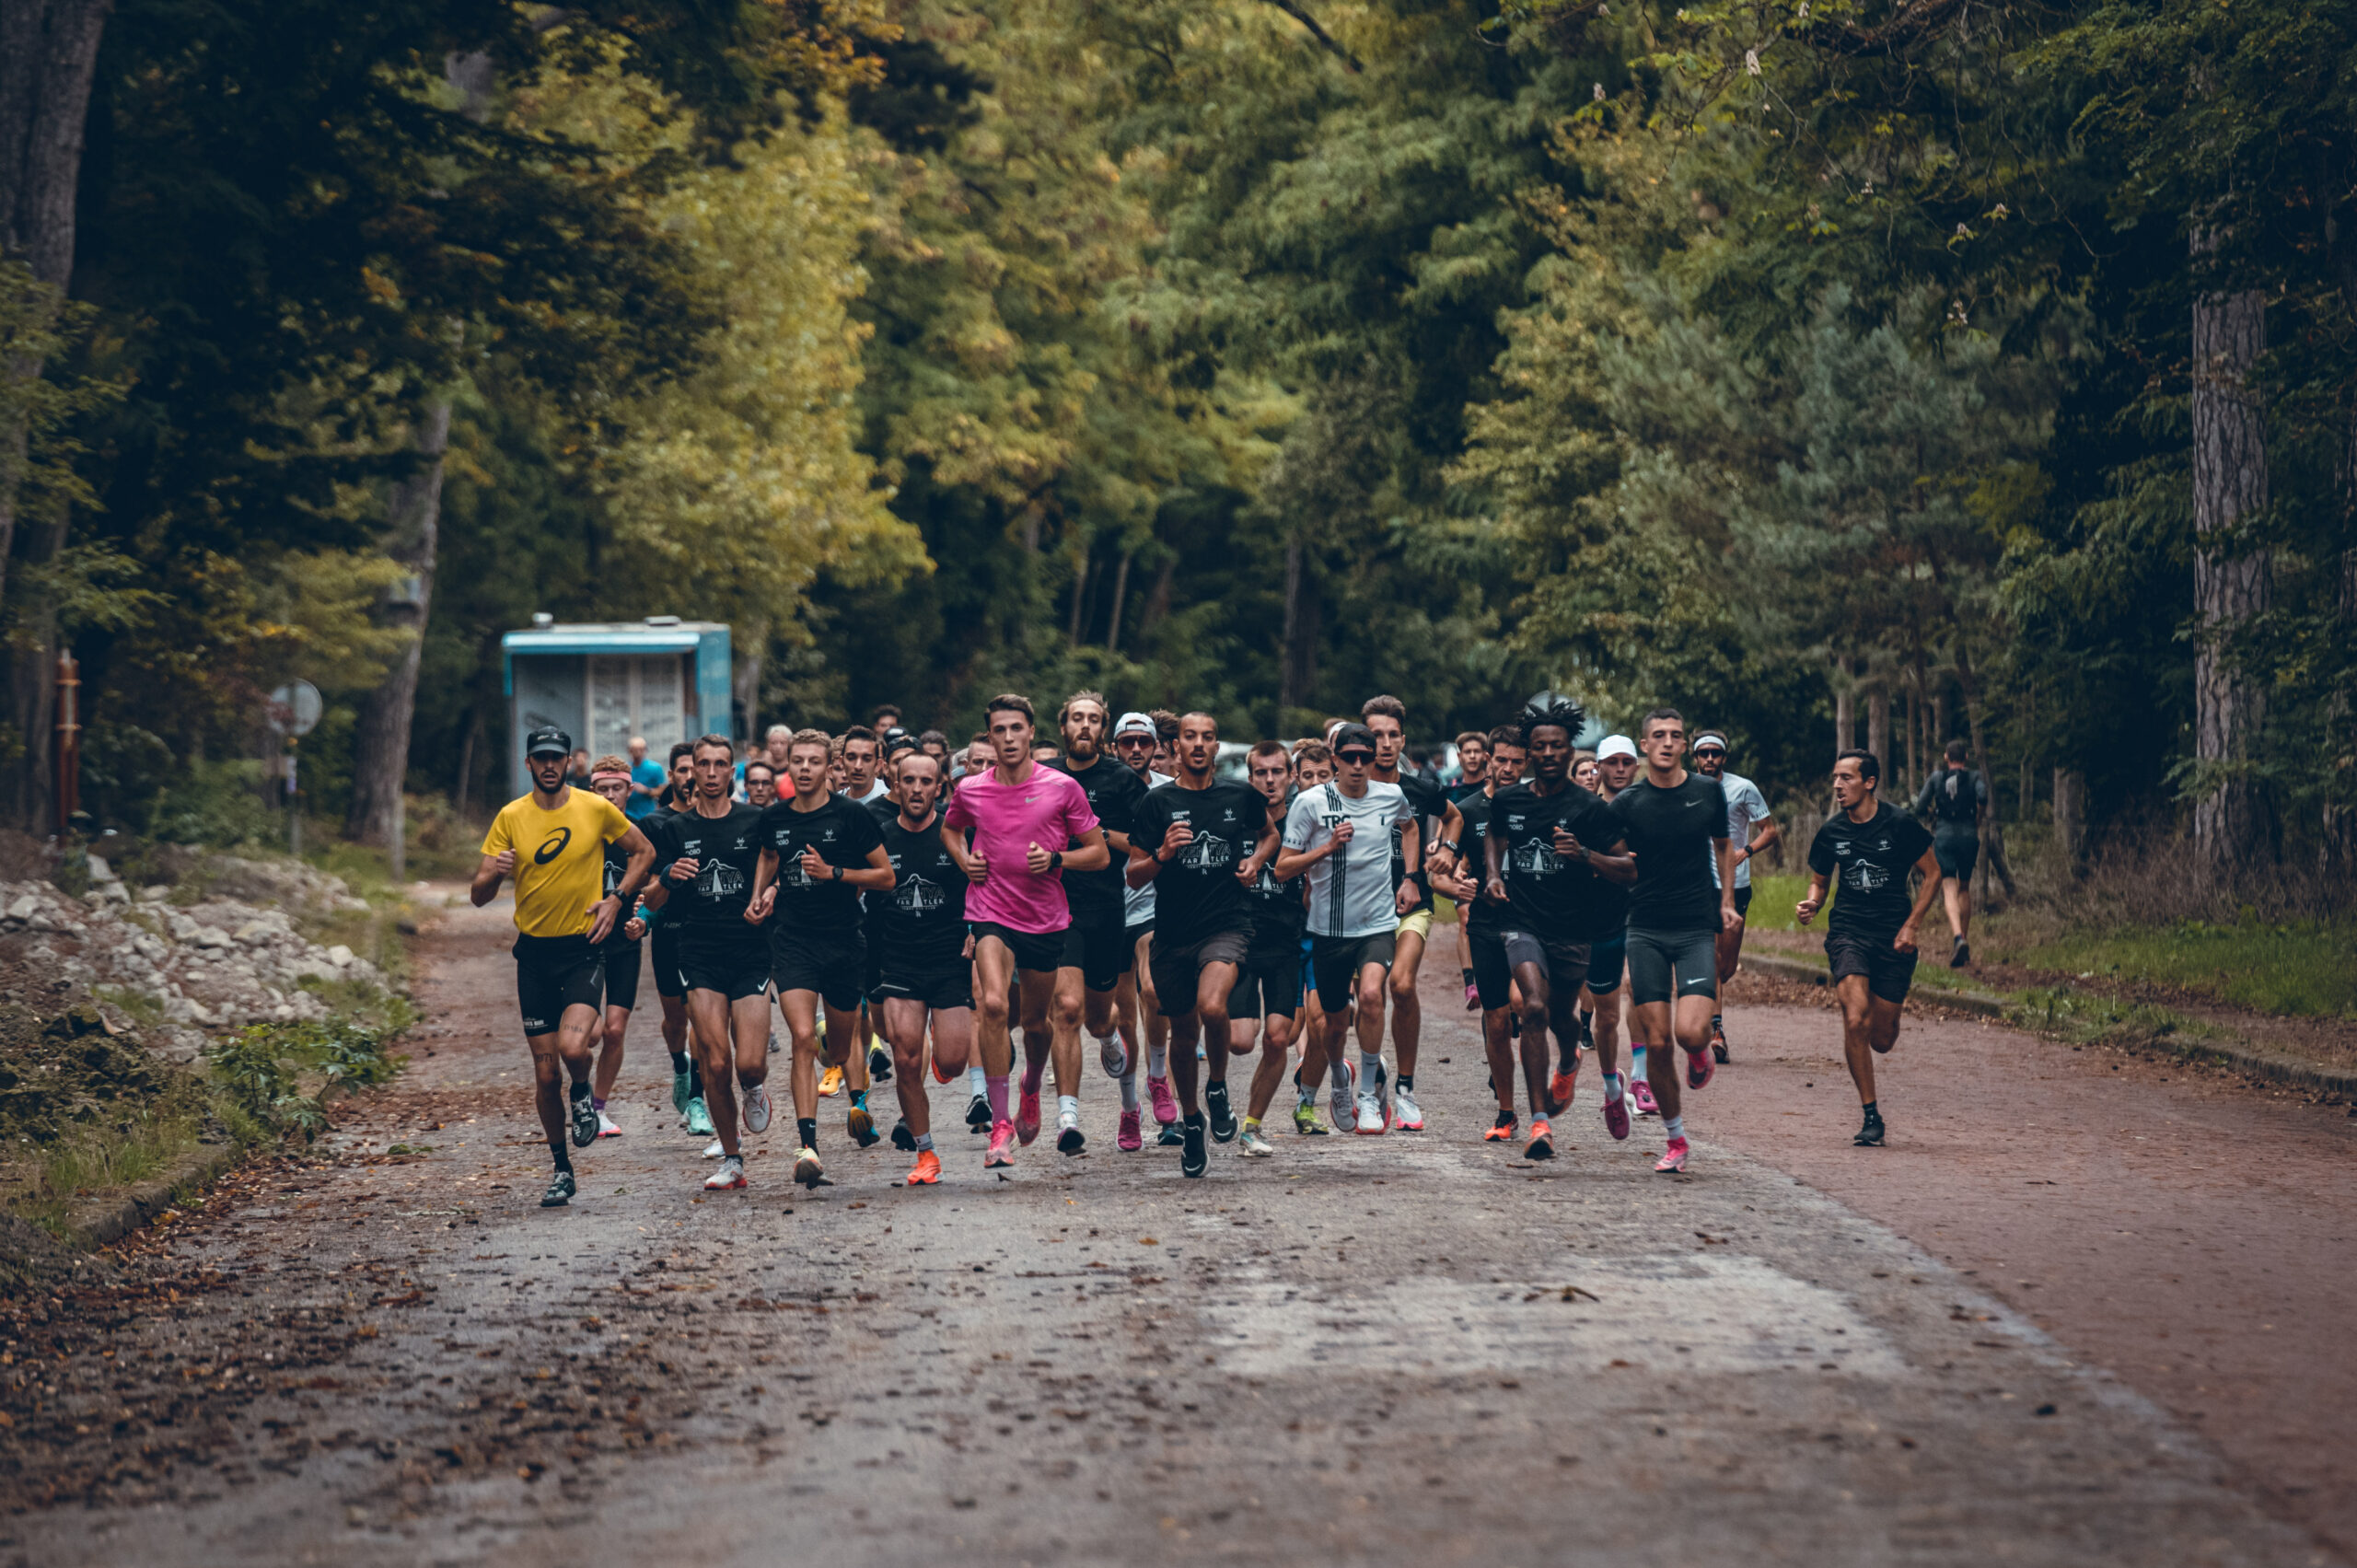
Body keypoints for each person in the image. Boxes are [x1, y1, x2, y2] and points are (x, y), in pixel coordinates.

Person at [473, 726, 656, 1207]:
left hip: (582, 948)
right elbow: (477, 894)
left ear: (569, 763)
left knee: (575, 1048)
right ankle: (561, 1169)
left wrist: (617, 899)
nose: (549, 765)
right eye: (541, 758)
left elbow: (645, 852)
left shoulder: (594, 808)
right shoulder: (510, 817)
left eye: (557, 757)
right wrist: (495, 873)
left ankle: (585, 1091)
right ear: (528, 764)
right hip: (533, 955)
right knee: (544, 1075)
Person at [941, 694, 1109, 1169]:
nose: (1009, 738)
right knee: (993, 1004)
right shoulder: (972, 789)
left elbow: (1097, 853)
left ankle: (1031, 1084)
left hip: (1044, 918)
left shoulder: (1061, 788)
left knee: (1037, 1024)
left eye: (1017, 729)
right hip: (990, 909)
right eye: (1000, 730)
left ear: (1031, 732)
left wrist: (1057, 859)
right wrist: (964, 860)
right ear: (989, 736)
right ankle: (1000, 1126)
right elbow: (951, 830)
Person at [1480, 698, 1638, 1159]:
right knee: (1531, 1007)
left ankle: (1569, 1059)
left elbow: (1629, 869)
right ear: (1529, 752)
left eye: (1558, 746)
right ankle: (1539, 1123)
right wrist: (1493, 874)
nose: (1549, 754)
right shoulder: (1509, 799)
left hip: (1572, 929)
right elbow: (1494, 835)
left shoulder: (1590, 809)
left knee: (1564, 1017)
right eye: (1540, 747)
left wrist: (1585, 855)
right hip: (1520, 921)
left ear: (1571, 751)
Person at [1127, 713, 1276, 1178]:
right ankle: (1192, 1122)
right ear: (1175, 747)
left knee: (1213, 1007)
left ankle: (1216, 1087)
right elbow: (1133, 873)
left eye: (1207, 737)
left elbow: (1270, 834)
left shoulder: (1240, 795)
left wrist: (1255, 860)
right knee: (1183, 1032)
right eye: (1190, 737)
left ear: (1216, 746)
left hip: (1227, 925)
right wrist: (1163, 855)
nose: (1198, 744)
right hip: (1173, 934)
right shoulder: (1157, 802)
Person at [746, 728, 894, 1189]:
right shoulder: (773, 817)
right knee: (803, 1037)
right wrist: (758, 896)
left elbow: (886, 875)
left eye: (814, 761)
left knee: (841, 1045)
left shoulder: (851, 815)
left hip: (845, 941)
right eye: (798, 761)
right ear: (787, 766)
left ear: (830, 768)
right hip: (792, 941)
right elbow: (769, 856)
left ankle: (856, 1097)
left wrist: (835, 873)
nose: (805, 769)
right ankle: (807, 1146)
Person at [641, 736, 774, 1192]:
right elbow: (651, 899)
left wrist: (770, 895)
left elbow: (776, 870)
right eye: (704, 765)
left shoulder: (756, 820)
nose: (713, 773)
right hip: (698, 953)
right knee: (715, 1063)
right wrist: (667, 877)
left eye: (721, 764)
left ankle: (755, 1090)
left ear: (732, 771)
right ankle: (733, 1159)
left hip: (750, 951)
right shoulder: (673, 829)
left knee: (749, 1065)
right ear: (692, 772)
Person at [1607, 710, 1738, 1174]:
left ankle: (1700, 1052)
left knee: (1689, 1032)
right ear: (1644, 746)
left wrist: (1725, 900)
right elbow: (1609, 858)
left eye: (1675, 736)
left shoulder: (1707, 793)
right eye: (1658, 736)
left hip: (1695, 926)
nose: (1667, 743)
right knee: (1658, 1043)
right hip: (1644, 928)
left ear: (1685, 745)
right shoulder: (1628, 803)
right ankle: (1676, 1138)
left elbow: (1724, 845)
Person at [1273, 722, 1418, 1136]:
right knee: (1333, 1025)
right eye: (1349, 757)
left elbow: (1409, 826)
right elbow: (1283, 868)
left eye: (1365, 758)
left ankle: (1369, 1096)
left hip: (1376, 925)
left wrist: (1410, 876)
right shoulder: (1310, 803)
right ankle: (1339, 1080)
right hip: (1328, 930)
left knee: (1372, 996)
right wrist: (1326, 848)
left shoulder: (1391, 795)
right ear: (1335, 759)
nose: (1357, 765)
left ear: (1375, 760)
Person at [1798, 749, 1944, 1147]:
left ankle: (1882, 1027)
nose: (1837, 786)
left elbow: (1933, 874)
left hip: (1893, 937)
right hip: (1847, 932)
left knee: (1881, 1037)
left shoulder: (1899, 824)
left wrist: (1912, 925)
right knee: (1855, 1017)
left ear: (1869, 782)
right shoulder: (1831, 832)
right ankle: (1871, 1115)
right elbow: (1820, 881)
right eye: (1835, 778)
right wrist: (1813, 901)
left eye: (1846, 778)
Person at [1046, 692, 1151, 1151]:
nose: (1084, 727)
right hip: (1055, 907)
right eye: (1076, 719)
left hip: (1108, 910)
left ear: (1102, 731)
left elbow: (1147, 845)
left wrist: (1098, 835)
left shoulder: (1123, 781)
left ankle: (1108, 1038)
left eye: (1093, 720)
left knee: (1096, 1017)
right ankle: (1068, 1115)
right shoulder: (1045, 777)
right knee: (1065, 1009)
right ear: (1063, 728)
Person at [867, 749, 973, 1184]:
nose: (916, 789)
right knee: (907, 1058)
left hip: (950, 960)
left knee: (953, 1061)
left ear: (940, 786)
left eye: (925, 782)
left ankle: (943, 1059)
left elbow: (982, 887)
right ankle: (926, 1154)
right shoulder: (880, 837)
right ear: (895, 783)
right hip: (899, 961)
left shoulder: (956, 834)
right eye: (907, 780)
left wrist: (976, 930)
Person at [1428, 726, 1524, 1139]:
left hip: (1531, 923)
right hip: (1486, 925)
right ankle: (1506, 1112)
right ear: (1487, 759)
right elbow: (1439, 876)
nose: (1507, 768)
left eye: (1516, 762)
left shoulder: (1538, 804)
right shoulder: (1466, 810)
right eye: (1500, 759)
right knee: (1497, 1021)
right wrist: (1458, 886)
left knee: (1525, 1002)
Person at [1361, 695, 1446, 1132]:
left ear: (1403, 740)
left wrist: (1444, 849)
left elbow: (1456, 817)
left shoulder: (1420, 789)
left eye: (1393, 735)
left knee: (1402, 984)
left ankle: (1406, 1090)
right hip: (1361, 908)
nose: (1385, 743)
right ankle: (1373, 1074)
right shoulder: (1353, 790)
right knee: (1366, 995)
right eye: (1377, 735)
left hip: (1414, 902)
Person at [1231, 740, 1309, 1154]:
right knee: (1240, 1040)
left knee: (1278, 1039)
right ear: (1250, 779)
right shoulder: (1238, 822)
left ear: (1291, 775)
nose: (1269, 780)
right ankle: (1214, 1095)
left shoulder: (1305, 821)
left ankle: (1251, 1126)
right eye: (1260, 773)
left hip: (1286, 944)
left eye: (1277, 772)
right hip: (1240, 942)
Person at [1110, 710, 1179, 1144]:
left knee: (1153, 991)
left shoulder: (1169, 793)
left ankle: (1158, 1076)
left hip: (1152, 907)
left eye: (1143, 741)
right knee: (1120, 1018)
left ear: (1156, 747)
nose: (1135, 749)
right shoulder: (1096, 789)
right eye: (1126, 742)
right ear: (1114, 747)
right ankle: (1129, 1108)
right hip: (1106, 910)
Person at [1692, 729, 1780, 1063]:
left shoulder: (1743, 788)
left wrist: (1746, 851)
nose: (1710, 759)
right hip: (1700, 883)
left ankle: (1709, 1005)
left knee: (1725, 968)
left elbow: (1770, 830)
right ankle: (1715, 1031)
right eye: (1704, 754)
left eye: (1716, 753)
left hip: (1737, 883)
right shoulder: (1685, 788)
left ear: (1724, 758)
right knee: (1711, 962)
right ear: (1696, 757)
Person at [586, 757, 654, 1137]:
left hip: (625, 942)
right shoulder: (584, 834)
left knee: (614, 1030)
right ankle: (582, 1092)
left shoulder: (641, 837)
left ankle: (598, 1108)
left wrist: (642, 917)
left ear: (630, 790)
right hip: (585, 941)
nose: (611, 796)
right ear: (591, 792)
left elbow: (653, 888)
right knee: (589, 1034)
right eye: (603, 789)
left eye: (617, 788)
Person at [1583, 734, 1643, 1112]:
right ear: (1599, 767)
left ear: (1636, 765)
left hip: (1643, 913)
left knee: (1641, 988)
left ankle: (1641, 1075)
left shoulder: (1651, 807)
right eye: (1612, 762)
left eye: (1627, 761)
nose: (1620, 769)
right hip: (1598, 917)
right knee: (1606, 1016)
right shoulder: (1584, 811)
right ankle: (1611, 1083)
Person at [1913, 738, 1986, 967]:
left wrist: (1934, 812)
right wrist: (1978, 819)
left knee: (1948, 886)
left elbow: (1919, 807)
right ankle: (1963, 940)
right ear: (1965, 758)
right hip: (1969, 836)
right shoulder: (1974, 777)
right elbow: (1983, 797)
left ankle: (1957, 938)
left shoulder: (1936, 778)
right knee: (1964, 887)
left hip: (1944, 836)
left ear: (1946, 758)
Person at [1449, 730, 1493, 1009]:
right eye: (1468, 752)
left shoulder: (1497, 791)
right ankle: (1470, 983)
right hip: (1463, 864)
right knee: (1465, 916)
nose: (1474, 756)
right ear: (1460, 756)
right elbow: (1445, 831)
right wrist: (1440, 849)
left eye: (1478, 752)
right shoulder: (1453, 792)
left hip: (1489, 864)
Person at [841, 725, 890, 806]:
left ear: (878, 765)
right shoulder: (835, 801)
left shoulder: (888, 802)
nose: (858, 766)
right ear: (842, 762)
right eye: (851, 758)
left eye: (867, 759)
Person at [626, 737, 666, 820]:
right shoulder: (625, 768)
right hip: (628, 814)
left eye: (641, 749)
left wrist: (646, 790)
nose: (638, 753)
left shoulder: (655, 768)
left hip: (647, 814)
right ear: (629, 750)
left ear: (645, 750)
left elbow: (662, 791)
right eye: (635, 749)